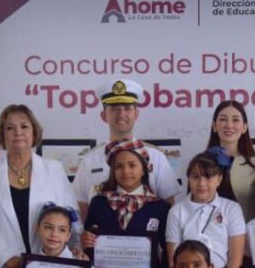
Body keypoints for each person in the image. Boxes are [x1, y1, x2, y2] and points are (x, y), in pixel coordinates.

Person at [0, 104, 79, 268]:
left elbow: (71, 214)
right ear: (2, 135)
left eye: (24, 126)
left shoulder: (54, 169)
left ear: (34, 133)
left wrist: (74, 249)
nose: (18, 132)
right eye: (10, 128)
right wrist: (7, 259)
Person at [82, 139, 171, 268]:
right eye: (119, 166)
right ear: (112, 171)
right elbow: (90, 244)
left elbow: (168, 249)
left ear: (144, 169)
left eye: (132, 165)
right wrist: (86, 241)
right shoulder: (99, 202)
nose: (126, 171)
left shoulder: (160, 207)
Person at [72, 79, 180, 217]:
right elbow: (82, 208)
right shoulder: (89, 160)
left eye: (127, 108)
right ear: (104, 116)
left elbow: (168, 205)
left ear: (136, 114)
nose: (121, 114)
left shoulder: (156, 157)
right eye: (114, 108)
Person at [166, 149, 246, 268]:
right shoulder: (176, 211)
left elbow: (235, 260)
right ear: (188, 179)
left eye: (209, 177)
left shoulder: (231, 208)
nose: (201, 183)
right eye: (196, 177)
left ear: (219, 180)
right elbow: (173, 262)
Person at [207, 100, 255, 221]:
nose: (229, 125)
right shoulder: (202, 163)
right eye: (223, 119)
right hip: (208, 237)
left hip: (246, 235)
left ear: (244, 128)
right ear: (214, 126)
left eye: (235, 120)